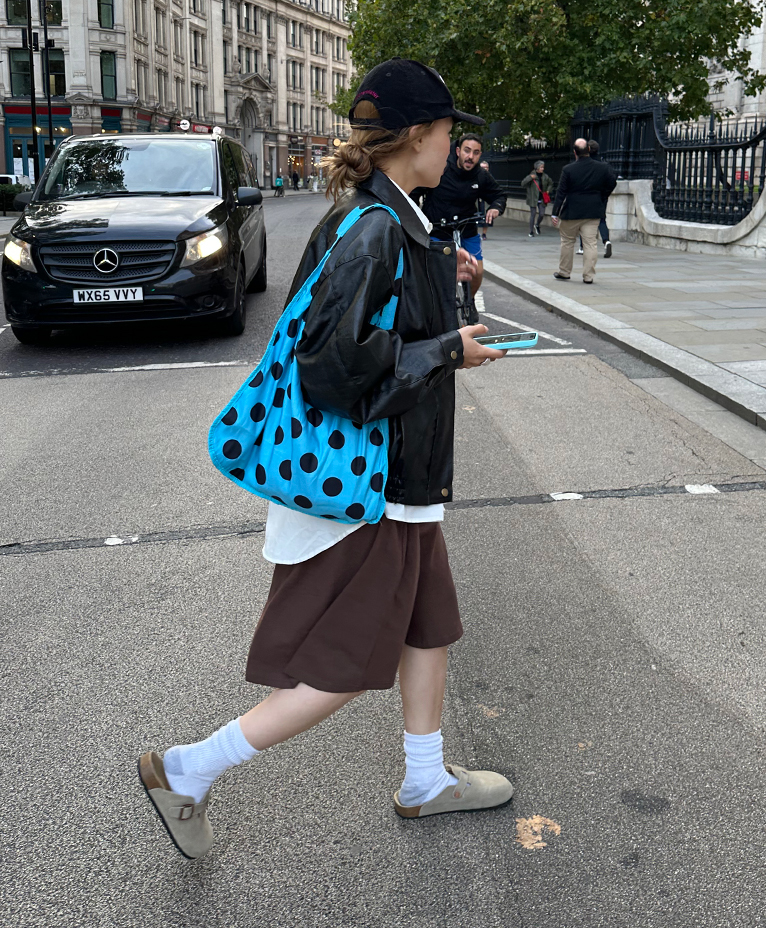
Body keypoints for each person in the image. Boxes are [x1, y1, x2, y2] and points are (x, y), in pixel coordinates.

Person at [137, 57, 513, 861]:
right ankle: (188, 769)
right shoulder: (375, 228)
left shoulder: (387, 219)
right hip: (371, 483)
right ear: (418, 135)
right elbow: (333, 368)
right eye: (449, 132)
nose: (453, 147)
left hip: (401, 478)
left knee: (429, 627)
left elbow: (374, 322)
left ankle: (425, 779)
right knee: (341, 668)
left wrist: (449, 281)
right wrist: (449, 348)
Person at [415, 133, 507, 299]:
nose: (470, 157)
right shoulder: (440, 168)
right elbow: (415, 192)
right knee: (438, 274)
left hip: (466, 228)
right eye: (467, 151)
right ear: (458, 151)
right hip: (438, 229)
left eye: (476, 153)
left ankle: (469, 303)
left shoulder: (481, 175)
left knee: (477, 271)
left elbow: (499, 195)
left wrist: (496, 208)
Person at [551, 137, 617, 284]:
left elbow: (561, 192)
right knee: (590, 243)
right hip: (593, 211)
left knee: (567, 242)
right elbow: (612, 182)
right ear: (588, 150)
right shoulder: (602, 168)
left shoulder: (568, 169)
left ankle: (564, 271)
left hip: (572, 211)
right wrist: (602, 196)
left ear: (575, 152)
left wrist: (555, 212)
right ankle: (588, 276)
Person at [576, 141, 614, 258]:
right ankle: (606, 241)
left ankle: (582, 247)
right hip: (600, 196)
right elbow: (612, 180)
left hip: (585, 196)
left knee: (583, 221)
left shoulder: (583, 163)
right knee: (601, 220)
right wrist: (605, 193)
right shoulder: (604, 164)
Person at [521, 161, 553, 238]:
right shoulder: (532, 175)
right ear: (537, 168)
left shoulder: (545, 176)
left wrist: (548, 190)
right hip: (533, 198)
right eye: (541, 167)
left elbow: (550, 183)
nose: (543, 169)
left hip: (542, 198)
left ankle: (537, 225)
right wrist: (530, 178)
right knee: (533, 214)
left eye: (543, 167)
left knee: (542, 214)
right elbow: (523, 184)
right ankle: (531, 231)